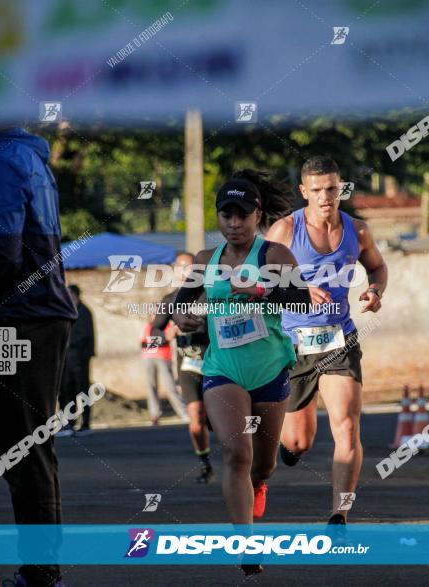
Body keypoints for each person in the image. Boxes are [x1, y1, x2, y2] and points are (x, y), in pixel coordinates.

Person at [0, 126, 77, 587]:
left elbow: (2, 248)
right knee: (26, 444)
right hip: (37, 313)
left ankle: (42, 571)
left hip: (26, 314)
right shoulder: (28, 155)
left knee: (25, 445)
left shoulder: (1, 160)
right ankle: (41, 567)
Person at [172, 169, 311, 576]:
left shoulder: (273, 256)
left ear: (257, 216)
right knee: (236, 453)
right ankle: (246, 545)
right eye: (226, 215)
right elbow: (181, 304)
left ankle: (261, 484)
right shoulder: (204, 261)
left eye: (243, 215)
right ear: (218, 217)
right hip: (222, 368)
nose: (234, 223)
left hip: (269, 369)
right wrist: (187, 320)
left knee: (262, 464)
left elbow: (301, 301)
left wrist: (262, 290)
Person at [265, 156, 387, 528]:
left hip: (340, 341)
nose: (325, 197)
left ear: (341, 189)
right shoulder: (284, 231)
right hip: (293, 347)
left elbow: (377, 266)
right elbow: (258, 283)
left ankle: (340, 513)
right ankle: (288, 447)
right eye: (316, 190)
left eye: (332, 189)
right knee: (299, 442)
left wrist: (375, 289)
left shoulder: (359, 230)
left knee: (348, 428)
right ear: (304, 192)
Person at [150, 252, 214, 483]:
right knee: (196, 417)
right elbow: (153, 336)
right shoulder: (170, 300)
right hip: (188, 364)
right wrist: (165, 335)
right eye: (181, 267)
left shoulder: (210, 295)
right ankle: (205, 463)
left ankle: (241, 461)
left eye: (190, 268)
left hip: (216, 364)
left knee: (218, 418)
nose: (185, 272)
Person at [57, 285, 96, 437]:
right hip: (66, 359)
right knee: (66, 391)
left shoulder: (84, 312)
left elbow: (83, 336)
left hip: (79, 358)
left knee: (82, 390)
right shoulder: (66, 311)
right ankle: (68, 424)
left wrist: (68, 343)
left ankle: (85, 424)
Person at [141, 309, 189, 425]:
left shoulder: (166, 325)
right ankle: (155, 415)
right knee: (151, 387)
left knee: (170, 387)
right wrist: (159, 339)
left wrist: (155, 340)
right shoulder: (147, 326)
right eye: (153, 314)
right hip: (148, 359)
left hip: (163, 358)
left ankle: (184, 413)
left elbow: (167, 338)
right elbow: (143, 343)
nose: (154, 316)